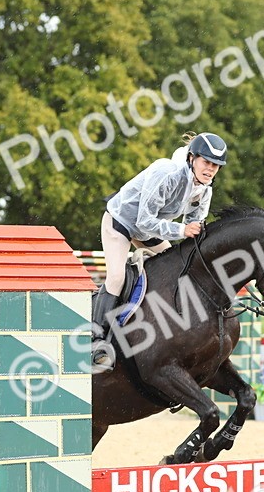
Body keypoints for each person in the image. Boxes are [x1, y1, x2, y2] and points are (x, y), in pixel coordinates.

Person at [90, 131, 228, 363]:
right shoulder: (168, 173)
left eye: (216, 165)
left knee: (180, 269)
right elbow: (144, 220)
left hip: (148, 231)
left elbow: (192, 228)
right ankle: (96, 341)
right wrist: (182, 231)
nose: (211, 169)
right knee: (116, 277)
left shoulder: (205, 189)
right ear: (192, 158)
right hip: (121, 222)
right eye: (207, 162)